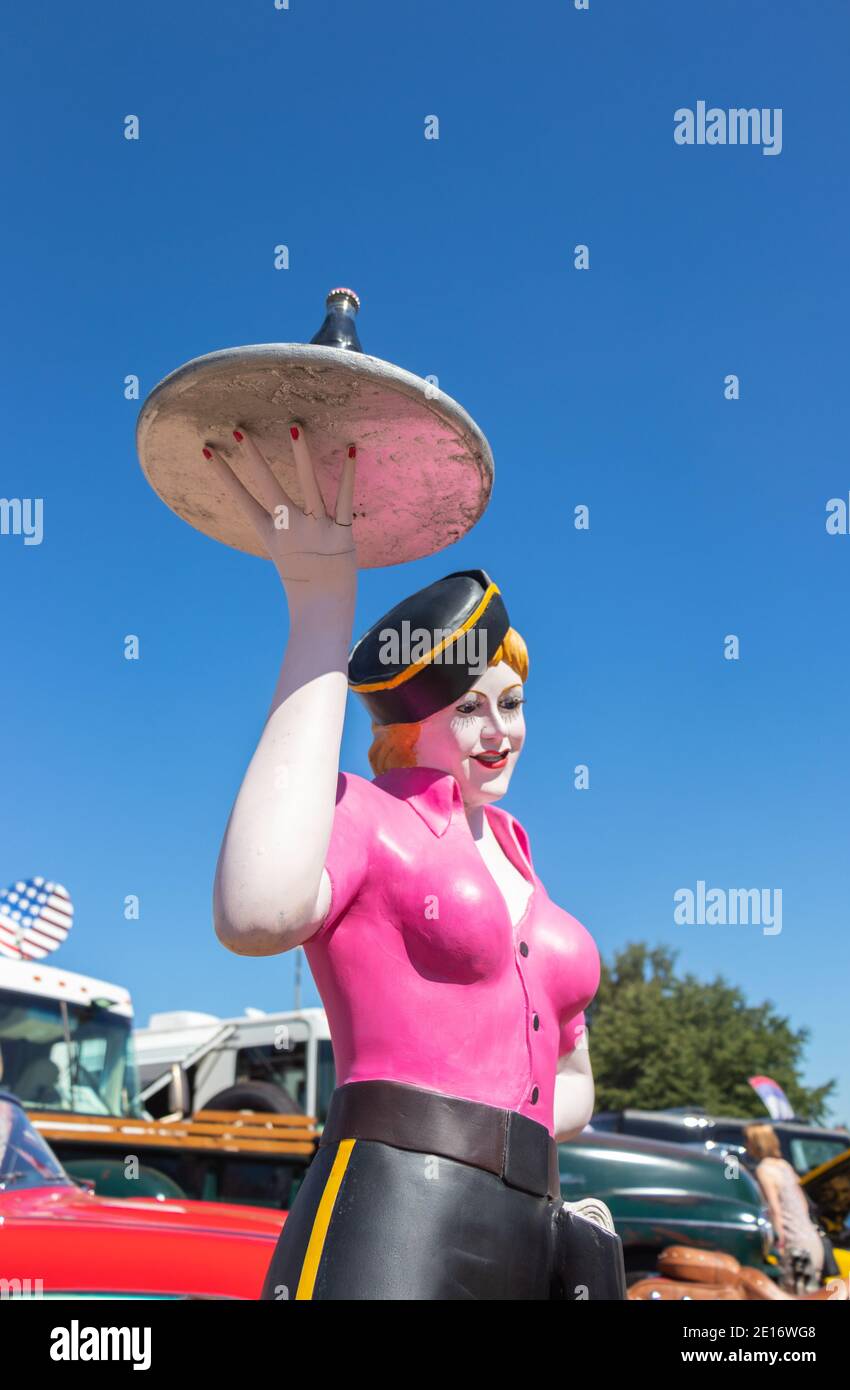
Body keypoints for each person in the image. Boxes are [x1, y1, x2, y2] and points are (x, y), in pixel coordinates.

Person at [210, 423, 613, 1300]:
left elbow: (572, 1080)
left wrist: (534, 1135)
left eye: (513, 704)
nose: (501, 733)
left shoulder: (524, 868)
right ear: (411, 725)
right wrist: (322, 607)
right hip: (396, 1211)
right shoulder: (365, 815)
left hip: (536, 1225)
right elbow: (258, 913)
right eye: (471, 709)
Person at [745, 1123, 826, 1293]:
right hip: (813, 1243)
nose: (746, 1145)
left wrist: (779, 1244)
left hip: (795, 1246)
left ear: (756, 1144)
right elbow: (803, 1204)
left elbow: (775, 1209)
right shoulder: (785, 1166)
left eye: (748, 1141)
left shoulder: (764, 1169)